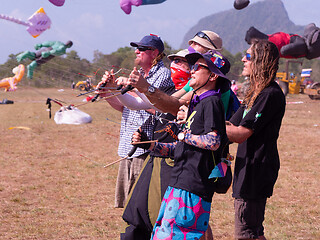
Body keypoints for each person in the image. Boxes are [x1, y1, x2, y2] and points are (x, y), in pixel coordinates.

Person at [132, 50, 230, 240]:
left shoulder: (212, 102)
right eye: (192, 66)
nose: (192, 71)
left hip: (192, 185)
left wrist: (183, 134)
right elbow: (181, 147)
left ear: (212, 75)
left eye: (198, 67)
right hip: (179, 182)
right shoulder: (199, 104)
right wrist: (150, 145)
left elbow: (213, 141)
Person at [98, 34, 173, 208]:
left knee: (141, 203)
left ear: (154, 53)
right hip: (127, 144)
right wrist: (109, 92)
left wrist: (126, 89)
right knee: (128, 205)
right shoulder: (138, 74)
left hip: (145, 146)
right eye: (136, 48)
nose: (136, 51)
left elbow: (150, 105)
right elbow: (125, 107)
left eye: (142, 49)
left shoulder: (163, 74)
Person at [226, 39, 286, 240]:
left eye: (249, 56)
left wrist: (210, 125)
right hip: (247, 168)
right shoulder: (255, 93)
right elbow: (231, 126)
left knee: (246, 232)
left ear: (261, 61)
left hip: (257, 169)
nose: (243, 59)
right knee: (253, 230)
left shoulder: (270, 94)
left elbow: (241, 134)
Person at [127, 30, 225, 115]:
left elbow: (173, 107)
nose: (190, 47)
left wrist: (145, 88)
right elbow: (170, 102)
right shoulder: (192, 83)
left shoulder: (211, 85)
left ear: (210, 51)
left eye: (197, 44)